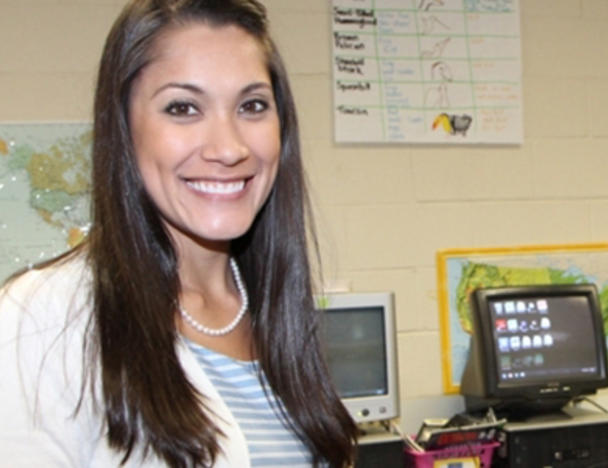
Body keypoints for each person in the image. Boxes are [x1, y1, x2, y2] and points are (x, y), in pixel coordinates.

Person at [0, 0, 358, 466]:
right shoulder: (43, 318)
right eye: (183, 108)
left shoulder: (274, 308)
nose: (229, 148)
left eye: (252, 106)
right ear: (125, 129)